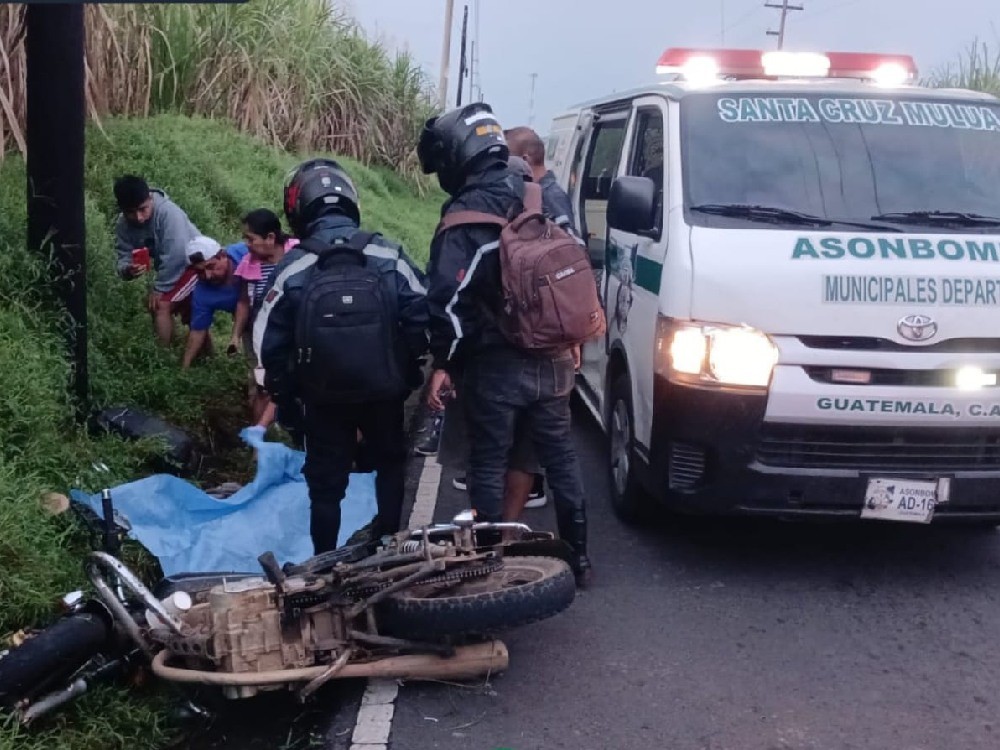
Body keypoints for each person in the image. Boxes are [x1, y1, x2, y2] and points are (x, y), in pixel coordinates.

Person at [418, 102, 593, 586]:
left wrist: (443, 362)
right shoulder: (541, 195)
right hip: (554, 358)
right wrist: (572, 336)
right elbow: (572, 268)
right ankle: (579, 559)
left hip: (498, 363)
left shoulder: (467, 213)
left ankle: (489, 563)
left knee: (489, 461)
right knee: (560, 458)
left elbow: (449, 301)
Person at [254, 158, 429, 554]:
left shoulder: (293, 266)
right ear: (351, 200)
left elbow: (267, 338)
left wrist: (285, 391)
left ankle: (325, 562)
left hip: (322, 397)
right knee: (389, 464)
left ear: (297, 209)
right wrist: (406, 367)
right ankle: (387, 545)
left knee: (326, 486)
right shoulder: (388, 254)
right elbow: (421, 312)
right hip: (384, 391)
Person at [113, 175, 202, 346]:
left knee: (160, 304)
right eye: (130, 212)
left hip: (198, 264)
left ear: (150, 199)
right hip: (177, 268)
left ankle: (163, 357)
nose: (138, 217)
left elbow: (177, 254)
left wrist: (160, 288)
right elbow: (123, 254)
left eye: (142, 209)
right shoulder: (123, 224)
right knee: (183, 311)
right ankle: (201, 355)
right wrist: (127, 269)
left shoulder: (169, 213)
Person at [230, 209, 298, 429]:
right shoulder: (249, 264)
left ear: (270, 238)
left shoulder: (297, 256)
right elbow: (242, 302)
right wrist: (235, 336)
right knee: (262, 387)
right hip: (260, 337)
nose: (246, 244)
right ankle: (258, 443)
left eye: (251, 239)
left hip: (294, 334)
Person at [180, 236, 249, 369]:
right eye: (199, 272)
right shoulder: (202, 292)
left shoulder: (244, 252)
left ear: (223, 255)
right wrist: (185, 366)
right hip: (247, 319)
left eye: (211, 267)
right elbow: (198, 330)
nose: (208, 275)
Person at [504, 126, 578, 237]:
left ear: (525, 160)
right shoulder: (532, 195)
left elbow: (569, 246)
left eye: (509, 159)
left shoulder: (551, 197)